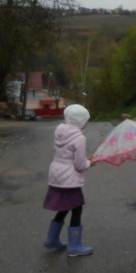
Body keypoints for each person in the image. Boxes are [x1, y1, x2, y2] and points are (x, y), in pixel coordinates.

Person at [42, 104, 95, 257]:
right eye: (86, 120)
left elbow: (67, 155)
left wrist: (85, 159)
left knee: (65, 207)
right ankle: (75, 246)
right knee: (77, 208)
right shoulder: (79, 138)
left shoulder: (60, 132)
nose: (87, 123)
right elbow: (79, 165)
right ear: (81, 121)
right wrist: (90, 163)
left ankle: (51, 239)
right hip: (69, 177)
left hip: (57, 174)